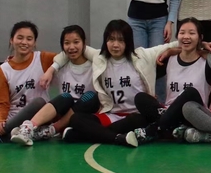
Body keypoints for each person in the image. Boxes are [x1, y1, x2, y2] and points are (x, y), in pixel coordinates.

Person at [57, 20, 179, 148]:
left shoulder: (143, 55)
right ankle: (119, 138)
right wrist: (52, 68)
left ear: (128, 41)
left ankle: (85, 135)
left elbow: (178, 43)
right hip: (112, 115)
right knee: (76, 119)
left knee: (136, 120)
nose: (115, 45)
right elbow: (73, 49)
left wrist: (169, 51)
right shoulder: (99, 57)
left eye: (121, 40)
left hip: (137, 115)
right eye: (111, 39)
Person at [131, 18, 211, 144]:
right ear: (177, 36)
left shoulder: (207, 63)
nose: (186, 36)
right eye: (182, 32)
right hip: (168, 110)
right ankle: (174, 128)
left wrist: (204, 47)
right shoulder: (169, 59)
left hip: (193, 114)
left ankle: (156, 129)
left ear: (200, 37)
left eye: (192, 33)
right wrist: (170, 51)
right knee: (140, 98)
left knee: (190, 92)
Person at [10, 25, 97, 146]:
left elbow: (101, 55)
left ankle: (52, 130)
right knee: (65, 97)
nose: (71, 47)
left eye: (76, 42)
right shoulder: (59, 66)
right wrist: (13, 61)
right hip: (64, 112)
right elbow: (33, 63)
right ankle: (28, 127)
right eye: (67, 43)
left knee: (91, 96)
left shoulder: (96, 66)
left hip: (84, 114)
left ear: (84, 43)